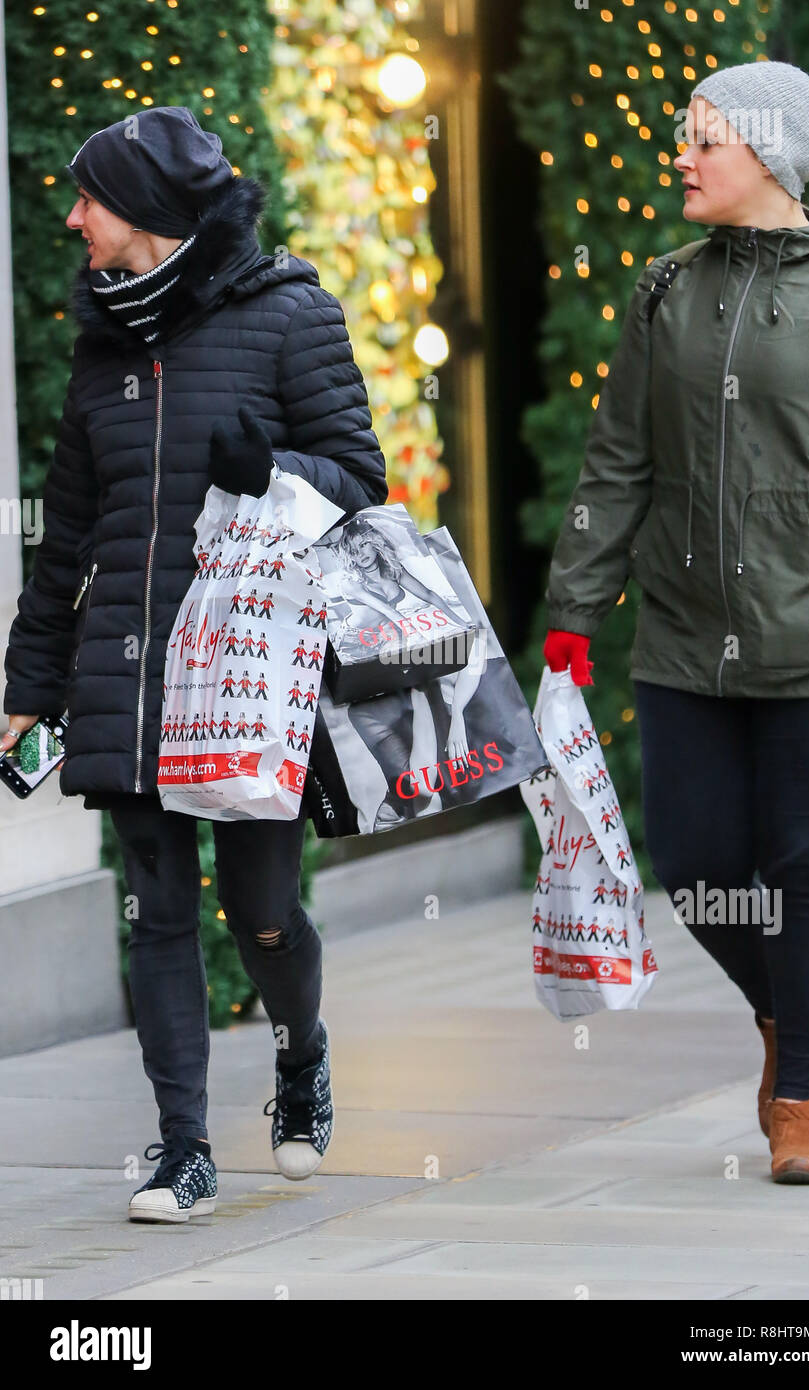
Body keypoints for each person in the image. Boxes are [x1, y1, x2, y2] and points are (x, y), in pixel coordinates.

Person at [1, 107, 388, 1221]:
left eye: (89, 199)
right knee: (157, 911)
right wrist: (30, 688)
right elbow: (67, 533)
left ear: (151, 214)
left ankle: (300, 1053)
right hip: (125, 673)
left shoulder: (287, 316)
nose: (72, 218)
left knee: (259, 910)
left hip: (247, 676)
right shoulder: (102, 340)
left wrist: (269, 468)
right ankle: (181, 1147)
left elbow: (361, 479)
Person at [544, 59, 809, 1185]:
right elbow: (617, 457)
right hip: (684, 639)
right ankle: (785, 1022)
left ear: (771, 157)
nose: (680, 155)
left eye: (703, 138)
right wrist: (574, 609)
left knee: (807, 867)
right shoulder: (662, 288)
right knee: (692, 865)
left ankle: (799, 1099)